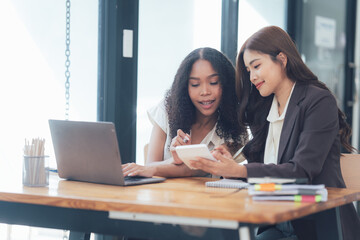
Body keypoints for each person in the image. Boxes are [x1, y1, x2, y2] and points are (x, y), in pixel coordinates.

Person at [189, 26, 360, 240]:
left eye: (256, 66)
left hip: (316, 227)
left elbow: (302, 171)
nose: (252, 76)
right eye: (248, 70)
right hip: (277, 226)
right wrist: (229, 168)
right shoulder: (265, 109)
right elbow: (266, 172)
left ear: (282, 58)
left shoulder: (318, 101)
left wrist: (240, 171)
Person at [123, 47, 248, 178]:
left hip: (208, 197)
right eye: (195, 84)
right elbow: (150, 165)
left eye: (213, 82)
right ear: (185, 87)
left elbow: (200, 168)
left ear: (226, 84)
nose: (205, 91)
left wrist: (169, 164)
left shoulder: (236, 125)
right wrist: (174, 160)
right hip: (165, 196)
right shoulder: (167, 109)